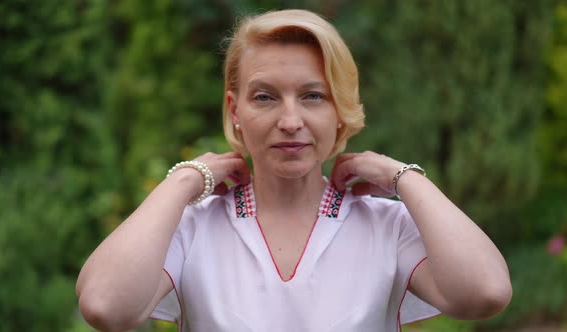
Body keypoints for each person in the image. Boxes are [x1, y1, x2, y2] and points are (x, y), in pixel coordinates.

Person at [76, 9, 512, 332]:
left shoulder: (388, 226)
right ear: (236, 111)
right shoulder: (192, 227)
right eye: (265, 97)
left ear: (340, 111)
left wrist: (403, 177)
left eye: (313, 96)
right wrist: (185, 179)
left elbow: (485, 293)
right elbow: (104, 306)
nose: (289, 121)